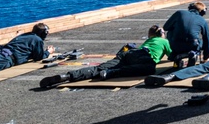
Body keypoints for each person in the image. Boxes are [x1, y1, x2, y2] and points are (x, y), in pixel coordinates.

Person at [39, 25, 171, 88]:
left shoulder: (149, 40)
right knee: (148, 69)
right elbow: (171, 55)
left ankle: (67, 76)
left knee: (99, 68)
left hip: (129, 53)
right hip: (144, 57)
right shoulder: (164, 41)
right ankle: (111, 73)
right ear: (162, 34)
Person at [163, 2, 209, 68]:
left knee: (170, 32)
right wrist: (206, 57)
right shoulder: (203, 20)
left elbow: (166, 27)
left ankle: (175, 55)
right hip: (192, 45)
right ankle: (193, 54)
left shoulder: (179, 13)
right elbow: (207, 40)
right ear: (203, 12)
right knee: (201, 41)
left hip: (176, 45)